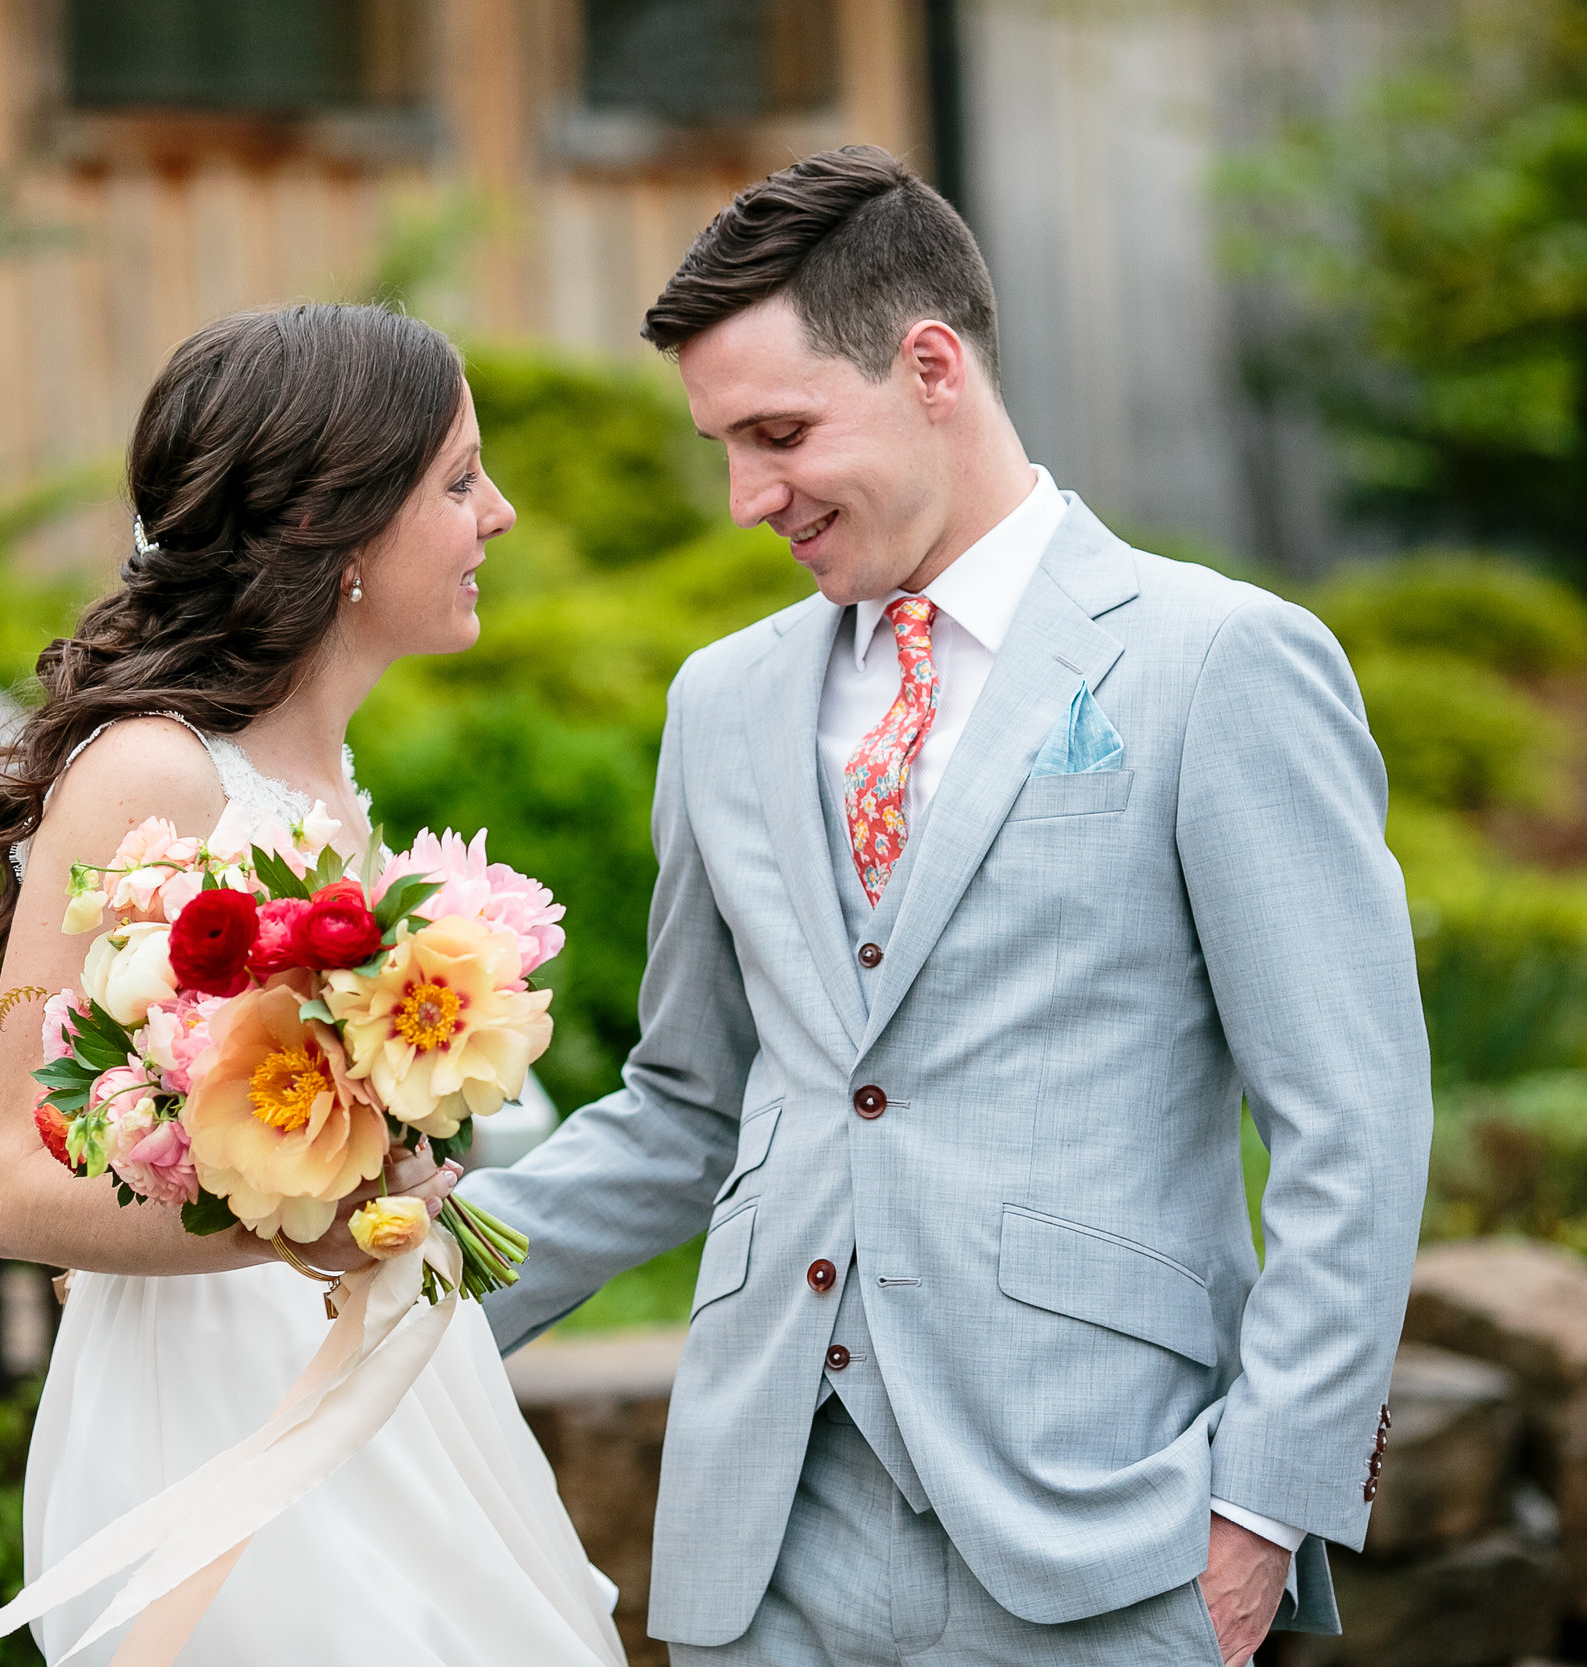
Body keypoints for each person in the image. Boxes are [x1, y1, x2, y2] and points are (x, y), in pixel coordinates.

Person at [461, 145, 1433, 1666]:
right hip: (763, 1530)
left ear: (930, 367)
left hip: (1108, 1533)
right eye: (723, 445)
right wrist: (406, 1281)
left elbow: (1352, 1124)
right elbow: (681, 1106)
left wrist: (1262, 1511)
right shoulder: (724, 701)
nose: (744, 499)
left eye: (778, 434)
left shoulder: (1216, 660)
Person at [0, 303, 625, 1667]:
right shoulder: (149, 772)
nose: (497, 513)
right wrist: (305, 1219)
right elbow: (12, 1186)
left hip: (384, 1363)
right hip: (215, 1394)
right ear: (341, 530)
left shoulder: (329, 784)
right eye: (457, 479)